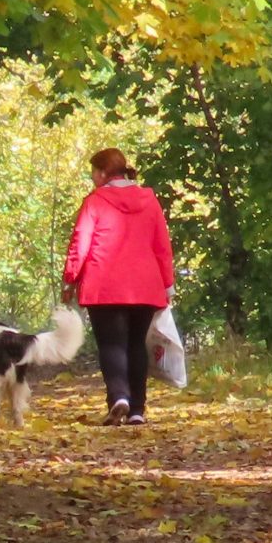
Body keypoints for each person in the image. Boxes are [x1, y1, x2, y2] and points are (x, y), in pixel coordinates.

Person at [62, 147, 175, 426]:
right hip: (145, 286)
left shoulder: (95, 201)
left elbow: (81, 243)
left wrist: (70, 279)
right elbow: (162, 246)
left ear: (102, 173)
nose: (92, 179)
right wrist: (168, 285)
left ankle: (119, 396)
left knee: (111, 344)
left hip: (104, 286)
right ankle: (137, 409)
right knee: (136, 344)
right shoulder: (149, 200)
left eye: (93, 173)